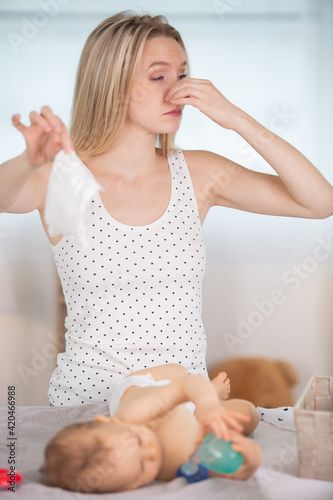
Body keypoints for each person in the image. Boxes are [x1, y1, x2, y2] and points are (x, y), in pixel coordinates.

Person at [0, 12, 332, 406]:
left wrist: (235, 119)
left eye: (183, 75)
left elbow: (319, 202)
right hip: (84, 405)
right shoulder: (61, 176)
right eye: (159, 77)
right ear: (112, 85)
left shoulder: (201, 173)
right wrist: (29, 159)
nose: (179, 92)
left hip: (183, 408)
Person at [43, 363, 262, 493]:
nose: (152, 452)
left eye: (137, 441)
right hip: (190, 426)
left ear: (109, 421)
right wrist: (246, 462)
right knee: (248, 415)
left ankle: (208, 394)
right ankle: (199, 409)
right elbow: (213, 469)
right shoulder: (164, 470)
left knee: (180, 371)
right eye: (140, 468)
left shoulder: (135, 411)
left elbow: (188, 383)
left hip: (163, 393)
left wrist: (207, 404)